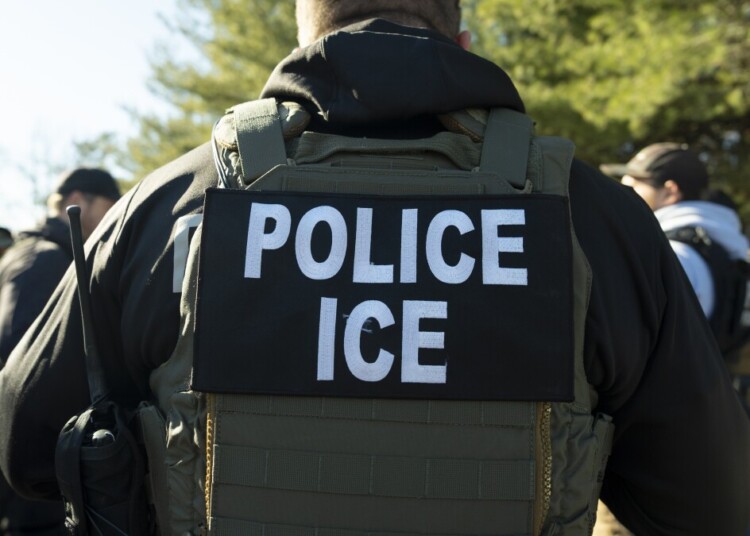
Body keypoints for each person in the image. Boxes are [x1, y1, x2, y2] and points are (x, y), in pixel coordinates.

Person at [0, 2, 748, 535]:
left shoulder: (167, 204)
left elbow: (27, 446)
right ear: (457, 37)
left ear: (304, 30)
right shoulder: (596, 219)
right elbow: (711, 503)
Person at [0, 167, 119, 535]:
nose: (112, 218)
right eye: (108, 206)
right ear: (75, 201)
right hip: (31, 475)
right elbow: (17, 364)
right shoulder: (44, 259)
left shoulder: (51, 255)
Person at [601, 142, 750, 320]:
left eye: (631, 188)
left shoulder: (672, 255)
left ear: (670, 192)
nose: (622, 197)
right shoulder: (720, 244)